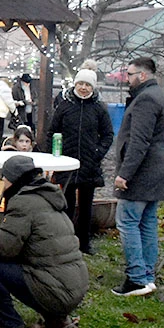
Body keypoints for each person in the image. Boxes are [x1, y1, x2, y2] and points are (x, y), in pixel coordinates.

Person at [0, 155, 89, 328]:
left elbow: (5, 248)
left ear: (12, 179)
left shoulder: (23, 202)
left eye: (4, 178)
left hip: (56, 291)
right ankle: (57, 320)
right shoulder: (49, 197)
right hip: (75, 284)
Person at [112, 57, 164, 297]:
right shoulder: (161, 95)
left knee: (127, 222)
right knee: (147, 223)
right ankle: (147, 276)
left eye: (130, 75)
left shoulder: (146, 99)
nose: (127, 79)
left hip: (142, 172)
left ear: (142, 76)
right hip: (157, 170)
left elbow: (139, 141)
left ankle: (137, 279)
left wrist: (124, 173)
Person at [46, 68, 113, 255]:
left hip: (88, 165)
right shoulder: (64, 106)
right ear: (75, 84)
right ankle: (65, 241)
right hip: (66, 163)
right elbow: (52, 132)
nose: (83, 88)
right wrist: (53, 155)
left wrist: (97, 153)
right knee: (65, 205)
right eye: (81, 83)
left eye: (88, 84)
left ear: (93, 87)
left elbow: (108, 135)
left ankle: (84, 242)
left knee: (86, 206)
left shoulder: (99, 108)